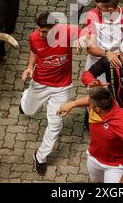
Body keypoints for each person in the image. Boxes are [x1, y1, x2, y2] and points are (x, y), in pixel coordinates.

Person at [19, 11, 85, 176]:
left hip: (61, 87)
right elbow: (34, 51)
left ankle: (40, 156)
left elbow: (87, 31)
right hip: (39, 83)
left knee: (55, 124)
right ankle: (25, 96)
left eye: (45, 32)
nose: (41, 34)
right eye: (39, 30)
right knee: (28, 111)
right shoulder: (34, 37)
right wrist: (29, 67)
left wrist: (83, 38)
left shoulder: (68, 31)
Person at [57, 87, 123, 183]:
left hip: (114, 166)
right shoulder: (102, 104)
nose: (88, 101)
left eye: (90, 102)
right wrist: (71, 104)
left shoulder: (121, 121)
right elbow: (88, 99)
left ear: (97, 109)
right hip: (94, 158)